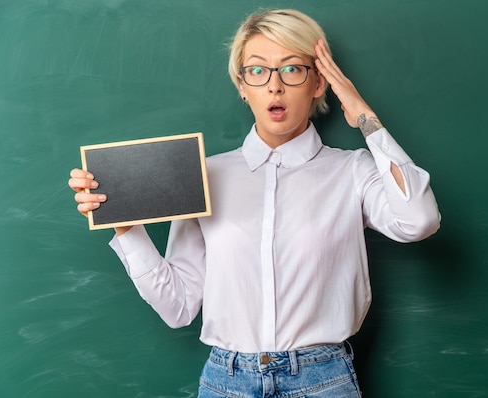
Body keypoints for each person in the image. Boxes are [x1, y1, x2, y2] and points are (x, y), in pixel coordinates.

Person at [68, 8, 440, 398]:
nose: (274, 86)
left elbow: (419, 220)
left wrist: (364, 116)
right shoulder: (203, 176)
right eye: (258, 71)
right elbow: (177, 307)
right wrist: (124, 226)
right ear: (242, 85)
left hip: (322, 380)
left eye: (292, 69)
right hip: (226, 381)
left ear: (318, 82)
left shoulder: (352, 171)